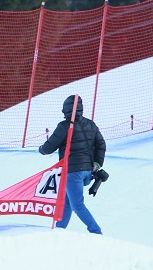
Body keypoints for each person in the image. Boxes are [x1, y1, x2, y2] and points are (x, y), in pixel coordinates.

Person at [38, 94, 106, 233]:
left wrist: (41, 149)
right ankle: (59, 229)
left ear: (66, 110)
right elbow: (101, 144)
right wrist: (97, 163)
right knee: (67, 202)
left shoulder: (65, 126)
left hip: (73, 171)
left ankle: (96, 231)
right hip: (87, 170)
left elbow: (49, 147)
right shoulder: (90, 124)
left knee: (77, 205)